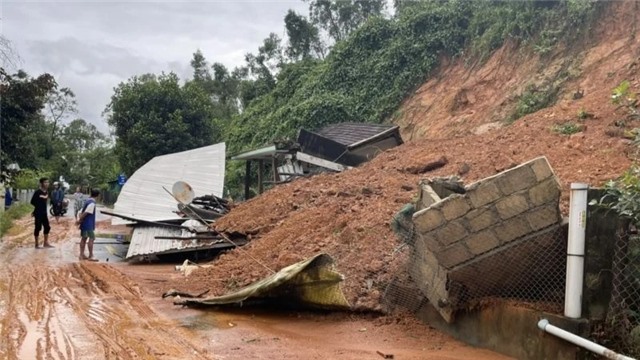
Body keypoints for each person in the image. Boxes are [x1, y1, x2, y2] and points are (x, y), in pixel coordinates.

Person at [77, 189, 100, 261]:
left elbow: (80, 211)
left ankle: (81, 255)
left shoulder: (87, 200)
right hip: (88, 224)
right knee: (91, 238)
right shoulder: (92, 203)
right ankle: (91, 255)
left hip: (84, 223)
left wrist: (80, 220)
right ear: (98, 196)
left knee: (84, 238)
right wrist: (80, 219)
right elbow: (86, 212)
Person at [30, 177, 53, 248]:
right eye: (45, 182)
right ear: (41, 183)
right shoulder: (37, 192)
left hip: (44, 213)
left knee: (47, 227)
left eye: (48, 182)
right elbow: (32, 202)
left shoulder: (46, 192)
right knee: (38, 228)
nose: (47, 184)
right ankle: (36, 244)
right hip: (38, 213)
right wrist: (37, 209)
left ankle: (45, 243)